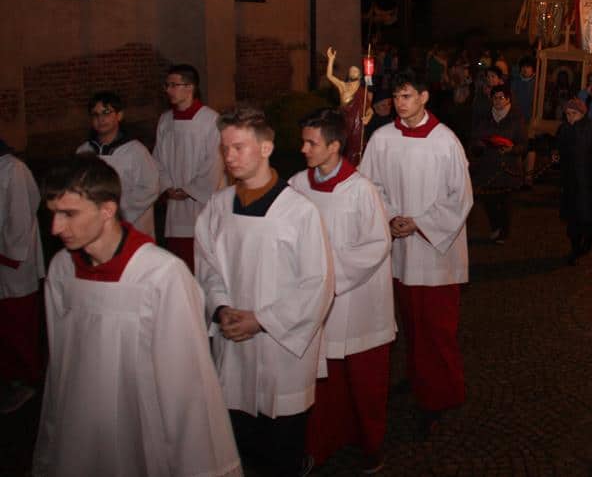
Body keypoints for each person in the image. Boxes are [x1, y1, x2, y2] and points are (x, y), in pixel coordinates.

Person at [34, 155, 240, 477]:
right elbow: (60, 361)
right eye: (53, 213)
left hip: (141, 425)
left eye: (69, 214)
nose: (55, 228)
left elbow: (187, 382)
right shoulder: (62, 269)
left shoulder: (161, 274)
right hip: (79, 421)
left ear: (107, 210)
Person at [195, 107, 334, 477]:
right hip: (233, 344)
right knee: (240, 444)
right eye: (225, 148)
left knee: (281, 450)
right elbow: (206, 265)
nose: (229, 157)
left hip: (280, 348)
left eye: (239, 147)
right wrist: (220, 307)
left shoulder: (299, 211)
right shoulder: (217, 206)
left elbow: (318, 283)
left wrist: (261, 320)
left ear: (266, 148)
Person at [359, 69, 473, 437]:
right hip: (400, 250)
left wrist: (420, 223)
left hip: (436, 253)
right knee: (410, 323)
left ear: (424, 97)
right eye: (396, 96)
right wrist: (391, 216)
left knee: (437, 329)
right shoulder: (382, 139)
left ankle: (441, 395)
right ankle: (419, 376)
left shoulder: (445, 141)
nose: (399, 102)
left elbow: (460, 198)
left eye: (407, 95)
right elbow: (369, 186)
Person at [290, 108, 393, 473]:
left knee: (363, 381)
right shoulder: (295, 186)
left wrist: (329, 274)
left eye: (311, 143)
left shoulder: (361, 190)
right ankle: (318, 445)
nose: (303, 149)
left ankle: (371, 444)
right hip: (313, 301)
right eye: (303, 141)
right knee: (321, 381)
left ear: (334, 146)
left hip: (358, 302)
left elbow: (377, 244)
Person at [153, 63, 222, 272]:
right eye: (167, 85)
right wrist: (167, 186)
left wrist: (191, 189)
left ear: (190, 87)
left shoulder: (211, 120)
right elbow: (157, 158)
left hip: (200, 202)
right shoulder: (165, 120)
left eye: (173, 85)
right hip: (175, 203)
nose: (168, 90)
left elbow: (214, 161)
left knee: (203, 262)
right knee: (180, 263)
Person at [0, 140, 45, 415]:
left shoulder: (13, 170)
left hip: (14, 261)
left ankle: (25, 380)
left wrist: (8, 253)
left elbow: (20, 218)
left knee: (19, 321)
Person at [76, 91, 160, 236]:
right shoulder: (83, 151)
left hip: (131, 222)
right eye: (95, 114)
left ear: (119, 115)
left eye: (106, 113)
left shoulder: (135, 151)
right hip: (95, 222)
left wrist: (119, 211)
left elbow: (150, 187)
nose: (101, 119)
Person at [555, 97, 592, 265]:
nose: (570, 117)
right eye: (567, 114)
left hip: (589, 183)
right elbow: (559, 149)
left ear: (582, 113)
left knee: (587, 218)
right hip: (571, 183)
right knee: (573, 221)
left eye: (573, 113)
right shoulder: (564, 129)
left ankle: (586, 242)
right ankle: (575, 249)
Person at [469, 82, 526, 244]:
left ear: (508, 99)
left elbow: (523, 144)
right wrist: (478, 145)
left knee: (505, 202)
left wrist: (512, 149)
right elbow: (475, 139)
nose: (498, 101)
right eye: (495, 98)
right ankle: (495, 226)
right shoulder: (485, 118)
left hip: (508, 168)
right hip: (488, 167)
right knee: (488, 201)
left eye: (501, 97)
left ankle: (504, 232)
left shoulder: (516, 119)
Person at [511, 56, 538, 186]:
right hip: (517, 119)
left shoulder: (537, 83)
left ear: (533, 69)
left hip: (532, 120)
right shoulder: (515, 82)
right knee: (518, 147)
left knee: (531, 146)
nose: (525, 69)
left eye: (528, 67)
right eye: (523, 67)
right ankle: (518, 176)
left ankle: (528, 177)